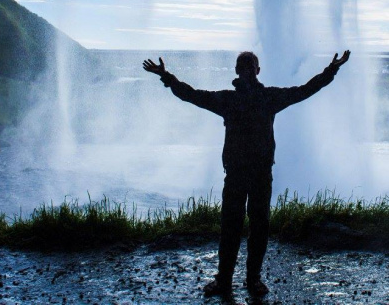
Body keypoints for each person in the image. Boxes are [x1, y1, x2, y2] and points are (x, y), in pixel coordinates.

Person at [142, 50, 350, 297]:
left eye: (250, 66)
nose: (249, 70)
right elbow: (191, 95)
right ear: (244, 71)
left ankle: (242, 280)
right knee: (239, 226)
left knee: (249, 227)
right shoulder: (260, 98)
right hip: (245, 173)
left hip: (251, 173)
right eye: (246, 66)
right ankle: (236, 281)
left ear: (248, 71)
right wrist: (165, 76)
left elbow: (305, 90)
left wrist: (331, 70)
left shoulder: (241, 99)